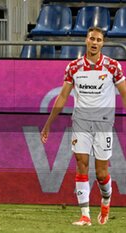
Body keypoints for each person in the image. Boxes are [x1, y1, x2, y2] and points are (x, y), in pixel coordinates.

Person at [41, 27, 126, 226]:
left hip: (104, 123)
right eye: (91, 39)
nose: (94, 42)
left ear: (102, 43)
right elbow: (62, 96)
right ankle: (85, 215)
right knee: (81, 164)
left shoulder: (113, 67)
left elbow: (124, 92)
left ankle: (106, 200)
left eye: (98, 39)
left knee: (101, 172)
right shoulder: (73, 67)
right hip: (80, 121)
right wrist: (48, 124)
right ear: (86, 41)